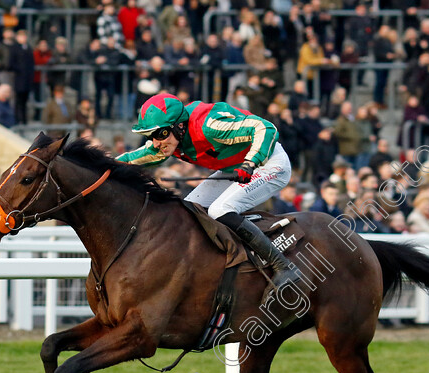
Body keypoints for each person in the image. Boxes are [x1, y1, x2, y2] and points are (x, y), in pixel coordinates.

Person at [117, 93, 301, 295]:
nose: (156, 142)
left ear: (179, 126)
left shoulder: (208, 126)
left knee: (220, 209)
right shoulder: (172, 139)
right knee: (187, 211)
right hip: (234, 167)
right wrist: (104, 165)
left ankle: (283, 266)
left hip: (269, 163)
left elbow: (265, 128)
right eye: (151, 136)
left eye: (160, 134)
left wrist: (251, 162)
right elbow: (141, 155)